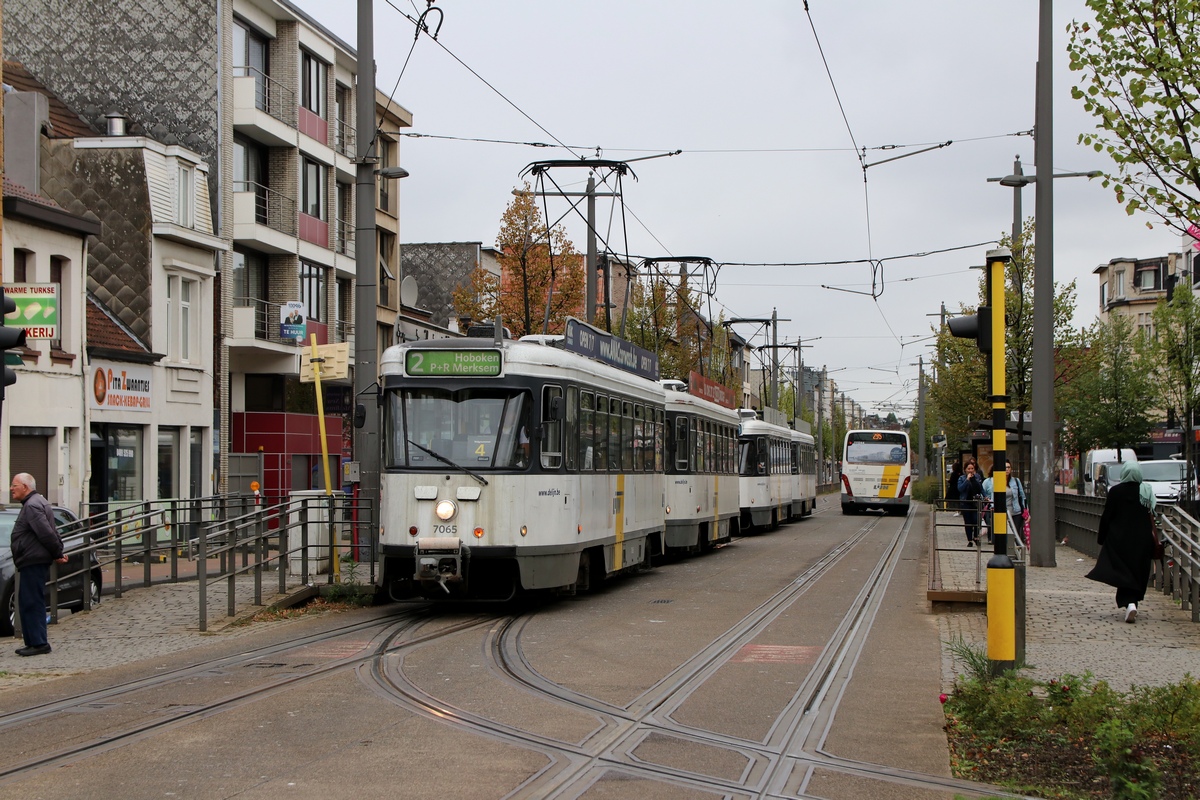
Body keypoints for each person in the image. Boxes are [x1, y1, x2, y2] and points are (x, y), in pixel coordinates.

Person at [1085, 460, 1157, 623]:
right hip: (1142, 540)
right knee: (1137, 570)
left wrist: (1101, 537)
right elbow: (1153, 514)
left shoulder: (1116, 491)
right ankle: (1132, 602)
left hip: (1120, 539)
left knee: (1123, 570)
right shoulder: (1146, 491)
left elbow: (1107, 516)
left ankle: (1129, 603)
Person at [9, 473, 66, 656]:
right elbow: (52, 530)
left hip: (33, 560)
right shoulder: (38, 502)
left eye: (14, 485)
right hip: (33, 559)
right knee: (29, 600)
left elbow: (46, 533)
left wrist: (57, 552)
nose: (11, 489)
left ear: (25, 487)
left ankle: (39, 643)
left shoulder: (32, 505)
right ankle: (34, 641)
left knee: (31, 601)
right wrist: (57, 551)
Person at [957, 461, 985, 546]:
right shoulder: (962, 478)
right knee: (968, 522)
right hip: (966, 502)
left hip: (976, 502)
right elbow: (960, 489)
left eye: (972, 468)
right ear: (965, 470)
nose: (970, 470)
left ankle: (976, 537)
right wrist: (967, 480)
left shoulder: (977, 477)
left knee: (976, 520)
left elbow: (980, 488)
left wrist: (985, 496)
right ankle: (970, 540)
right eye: (968, 469)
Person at [1005, 461, 1030, 547]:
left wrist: (1026, 511)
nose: (1007, 469)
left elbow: (1022, 496)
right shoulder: (997, 482)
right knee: (1006, 534)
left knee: (1015, 533)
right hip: (1004, 513)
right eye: (1005, 468)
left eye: (1008, 467)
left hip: (1016, 512)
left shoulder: (1015, 481)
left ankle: (1017, 553)